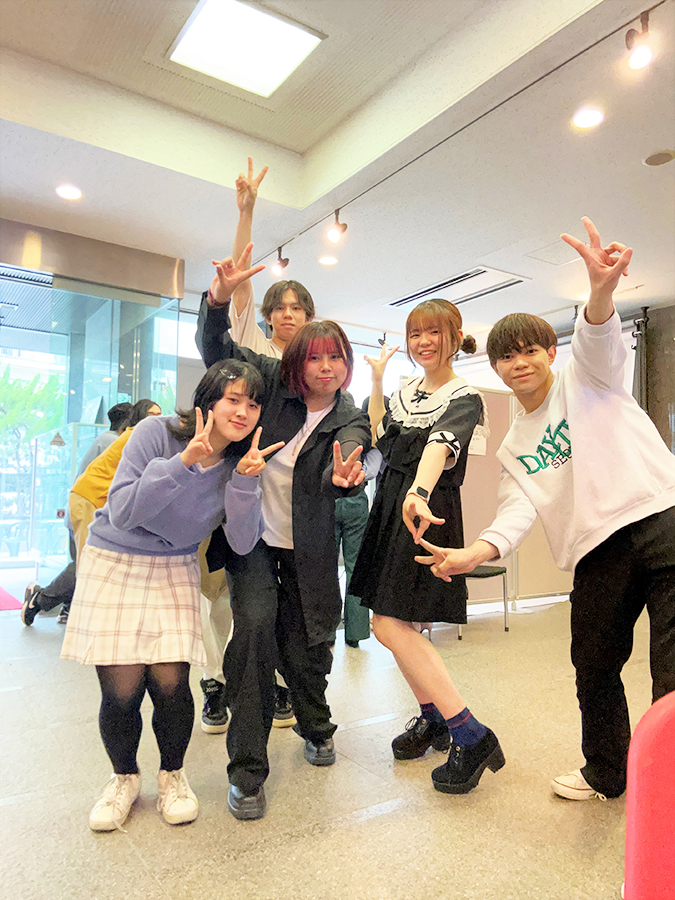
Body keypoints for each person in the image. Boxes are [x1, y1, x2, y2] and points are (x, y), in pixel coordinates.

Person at [415, 217, 675, 802]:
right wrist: (472, 554)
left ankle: (668, 784)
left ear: (550, 352)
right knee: (593, 664)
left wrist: (601, 291)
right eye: (507, 357)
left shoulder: (588, 376)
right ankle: (607, 772)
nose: (520, 363)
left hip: (663, 523)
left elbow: (599, 336)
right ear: (496, 368)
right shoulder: (514, 445)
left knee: (673, 671)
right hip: (597, 550)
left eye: (530, 350)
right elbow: (516, 512)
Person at [61, 358, 281, 832]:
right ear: (209, 401)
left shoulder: (241, 462)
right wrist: (183, 464)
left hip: (174, 564)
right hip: (115, 558)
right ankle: (123, 779)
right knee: (122, 690)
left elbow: (243, 542)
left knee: (170, 683)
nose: (242, 412)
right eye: (233, 399)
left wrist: (245, 483)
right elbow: (122, 511)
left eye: (253, 404)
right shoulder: (156, 433)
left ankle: (172, 776)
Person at [197, 273, 371, 820]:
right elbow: (217, 350)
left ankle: (316, 726)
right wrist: (217, 301)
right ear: (297, 361)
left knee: (306, 646)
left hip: (306, 549)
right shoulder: (270, 383)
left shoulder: (348, 415)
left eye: (336, 358)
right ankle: (247, 773)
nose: (326, 368)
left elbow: (357, 449)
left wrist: (351, 476)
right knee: (253, 633)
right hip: (250, 538)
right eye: (316, 358)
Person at [349, 298, 504, 796]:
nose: (423, 342)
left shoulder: (465, 396)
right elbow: (381, 434)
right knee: (401, 623)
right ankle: (434, 718)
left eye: (433, 332)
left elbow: (440, 446)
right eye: (415, 333)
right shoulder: (405, 391)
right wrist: (376, 382)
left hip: (424, 510)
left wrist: (417, 492)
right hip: (390, 505)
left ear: (454, 336)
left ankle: (469, 732)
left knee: (388, 623)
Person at [21, 402, 134, 626]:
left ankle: (66, 607)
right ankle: (40, 600)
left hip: (87, 509)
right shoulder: (114, 441)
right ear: (127, 425)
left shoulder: (106, 439)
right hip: (89, 509)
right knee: (86, 564)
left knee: (85, 563)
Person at [68, 399, 161, 563]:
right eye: (151, 415)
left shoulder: (131, 437)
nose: (158, 419)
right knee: (89, 562)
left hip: (96, 500)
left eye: (160, 415)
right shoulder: (135, 436)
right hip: (89, 498)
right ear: (140, 417)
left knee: (96, 561)